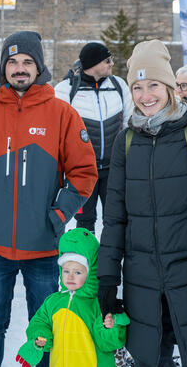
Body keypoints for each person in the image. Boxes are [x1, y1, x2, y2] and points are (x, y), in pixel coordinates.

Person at [97, 39, 187, 367]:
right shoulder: (127, 142)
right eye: (137, 87)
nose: (145, 95)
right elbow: (115, 218)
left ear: (169, 87)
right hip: (144, 284)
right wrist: (107, 278)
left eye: (153, 85)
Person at [0, 31, 98, 367]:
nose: (19, 68)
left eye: (27, 62)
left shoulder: (62, 113)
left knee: (45, 327)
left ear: (39, 67)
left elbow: (84, 172)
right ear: (3, 67)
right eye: (13, 62)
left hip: (43, 247)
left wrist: (60, 214)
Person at [16, 228, 129, 367]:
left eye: (77, 272)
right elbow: (40, 322)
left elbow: (109, 344)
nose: (70, 276)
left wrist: (110, 327)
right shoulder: (52, 302)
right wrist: (40, 336)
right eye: (66, 271)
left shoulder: (98, 303)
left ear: (91, 273)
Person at [54, 42, 132, 234]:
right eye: (107, 60)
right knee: (84, 222)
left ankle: (110, 263)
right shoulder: (66, 89)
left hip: (114, 170)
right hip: (82, 171)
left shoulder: (118, 85)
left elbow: (132, 122)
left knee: (115, 220)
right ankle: (84, 263)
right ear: (93, 63)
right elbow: (56, 131)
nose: (112, 63)